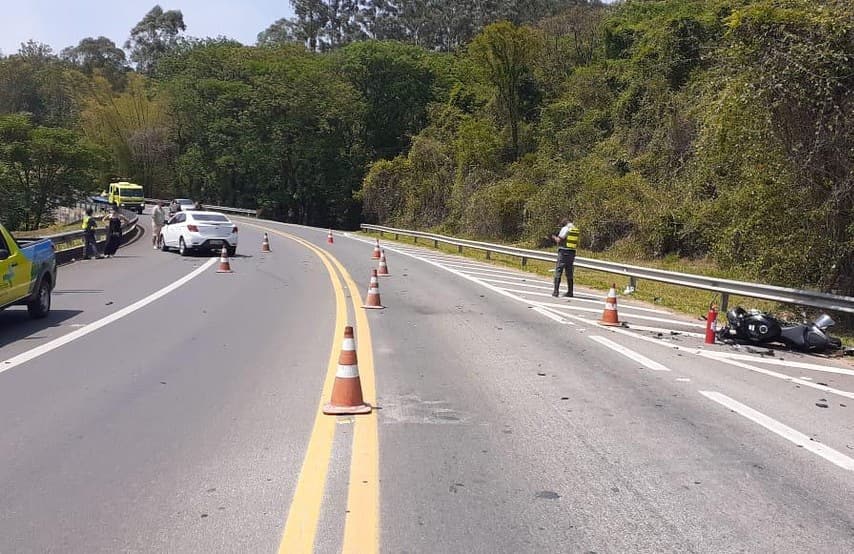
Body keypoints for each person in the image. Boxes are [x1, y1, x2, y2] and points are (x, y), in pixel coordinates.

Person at [551, 217, 580, 297]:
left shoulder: (565, 228)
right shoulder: (575, 229)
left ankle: (556, 291)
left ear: (565, 221)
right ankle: (570, 292)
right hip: (572, 252)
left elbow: (559, 240)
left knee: (559, 270)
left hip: (563, 251)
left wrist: (553, 237)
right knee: (569, 272)